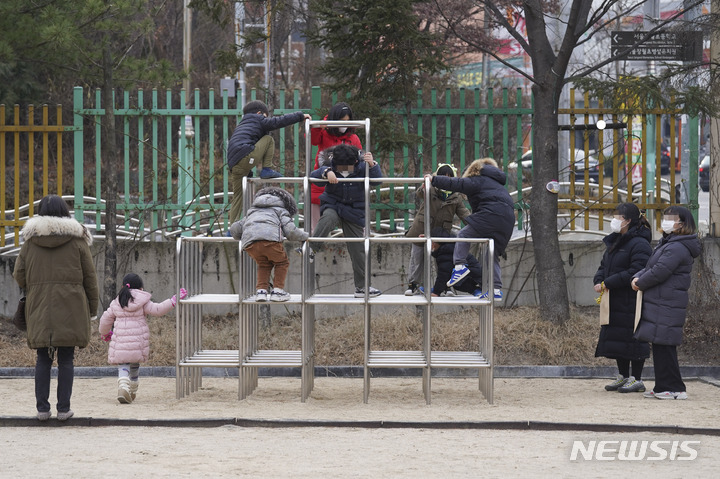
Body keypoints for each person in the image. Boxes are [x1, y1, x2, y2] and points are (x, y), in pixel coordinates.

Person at [12, 194, 99, 421]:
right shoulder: (78, 241)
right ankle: (63, 409)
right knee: (66, 358)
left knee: (43, 358)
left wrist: (36, 288)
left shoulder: (31, 242)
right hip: (71, 306)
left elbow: (18, 274)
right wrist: (91, 309)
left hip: (39, 306)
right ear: (65, 212)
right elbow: (90, 278)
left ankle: (42, 409)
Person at [632, 205, 701, 400]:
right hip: (661, 302)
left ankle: (674, 388)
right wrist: (637, 277)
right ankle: (663, 385)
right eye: (666, 217)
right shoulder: (668, 243)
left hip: (668, 303)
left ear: (683, 223)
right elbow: (649, 266)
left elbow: (660, 271)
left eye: (672, 218)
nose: (667, 221)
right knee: (661, 345)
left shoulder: (677, 246)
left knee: (665, 346)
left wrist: (640, 283)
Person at [428, 157, 515, 302]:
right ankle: (496, 289)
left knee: (463, 234)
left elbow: (455, 183)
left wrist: (434, 179)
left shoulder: (477, 179)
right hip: (507, 220)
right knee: (491, 253)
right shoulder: (496, 183)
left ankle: (460, 266)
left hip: (491, 214)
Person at [99, 274, 186, 404]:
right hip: (137, 343)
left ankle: (123, 387)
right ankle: (133, 388)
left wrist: (105, 334)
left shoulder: (117, 302)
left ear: (123, 287)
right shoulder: (142, 302)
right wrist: (173, 300)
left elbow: (105, 320)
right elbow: (158, 309)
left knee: (123, 363)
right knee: (134, 363)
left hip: (121, 344)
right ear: (141, 288)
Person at [593, 202, 652, 393]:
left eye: (618, 216)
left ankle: (637, 378)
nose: (614, 220)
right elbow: (604, 265)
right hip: (615, 298)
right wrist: (599, 279)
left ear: (627, 220)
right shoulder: (615, 241)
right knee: (618, 337)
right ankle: (623, 376)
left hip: (632, 298)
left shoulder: (640, 243)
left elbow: (637, 271)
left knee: (633, 337)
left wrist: (609, 282)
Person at [310, 143, 384, 297]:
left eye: (347, 167)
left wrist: (372, 165)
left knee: (358, 249)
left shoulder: (362, 166)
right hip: (334, 204)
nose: (343, 169)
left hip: (354, 210)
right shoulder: (331, 165)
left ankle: (362, 287)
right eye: (340, 167)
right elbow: (314, 177)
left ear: (355, 162)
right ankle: (312, 247)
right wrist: (326, 172)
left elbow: (377, 181)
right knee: (328, 218)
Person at [226, 100, 312, 223]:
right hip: (245, 157)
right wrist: (299, 116)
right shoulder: (258, 118)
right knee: (268, 139)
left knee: (238, 196)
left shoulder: (242, 124)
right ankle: (267, 169)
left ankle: (232, 228)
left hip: (234, 164)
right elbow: (277, 122)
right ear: (260, 112)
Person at [230, 187, 309, 301]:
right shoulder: (281, 210)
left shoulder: (252, 211)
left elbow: (235, 228)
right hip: (270, 241)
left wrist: (240, 236)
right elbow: (291, 232)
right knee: (282, 262)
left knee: (264, 265)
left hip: (250, 244)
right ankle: (278, 291)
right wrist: (304, 236)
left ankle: (261, 291)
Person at [404, 163, 470, 295]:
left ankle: (444, 287)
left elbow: (465, 214)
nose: (446, 180)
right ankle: (414, 285)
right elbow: (420, 193)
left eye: (449, 177)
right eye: (443, 177)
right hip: (422, 228)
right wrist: (425, 186)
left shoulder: (456, 197)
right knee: (417, 258)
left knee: (443, 261)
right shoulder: (431, 188)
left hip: (441, 233)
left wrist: (477, 225)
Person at [309, 102, 363, 231]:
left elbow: (359, 163)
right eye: (341, 120)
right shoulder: (325, 133)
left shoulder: (353, 138)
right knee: (316, 228)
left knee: (353, 226)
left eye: (347, 121)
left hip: (343, 185)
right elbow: (312, 139)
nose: (344, 124)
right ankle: (313, 249)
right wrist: (319, 126)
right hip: (321, 183)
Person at [429, 227, 483, 297]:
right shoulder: (451, 247)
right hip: (475, 274)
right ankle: (476, 290)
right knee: (454, 279)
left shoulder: (445, 252)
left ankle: (475, 290)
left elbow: (443, 275)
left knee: (456, 282)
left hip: (473, 276)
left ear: (435, 243)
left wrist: (436, 292)